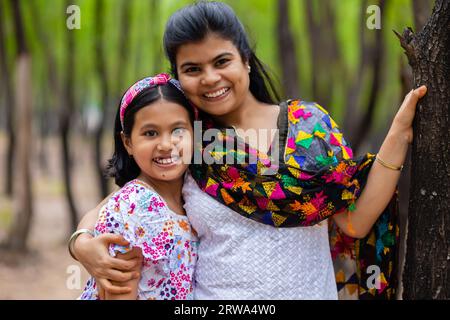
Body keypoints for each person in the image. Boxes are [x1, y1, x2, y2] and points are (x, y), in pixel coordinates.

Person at [69, 1, 427, 300]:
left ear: (245, 60)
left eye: (221, 61)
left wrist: (398, 134)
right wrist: (81, 244)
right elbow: (118, 205)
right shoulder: (190, 141)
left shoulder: (309, 126)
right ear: (179, 76)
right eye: (193, 69)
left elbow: (355, 221)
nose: (210, 78)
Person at [76, 74, 198, 300]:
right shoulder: (134, 207)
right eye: (150, 133)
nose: (165, 144)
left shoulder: (193, 192)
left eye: (178, 131)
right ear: (128, 142)